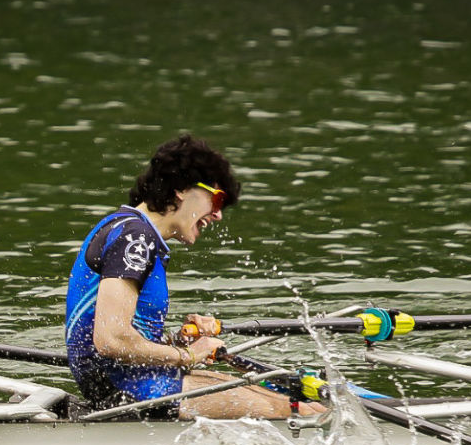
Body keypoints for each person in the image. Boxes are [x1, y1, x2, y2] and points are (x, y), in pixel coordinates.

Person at [65, 134, 311, 420]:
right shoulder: (136, 239)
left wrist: (181, 341)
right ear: (182, 189)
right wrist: (189, 356)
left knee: (283, 395)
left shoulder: (128, 229)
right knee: (297, 409)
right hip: (134, 391)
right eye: (216, 199)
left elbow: (125, 337)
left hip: (132, 382)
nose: (217, 215)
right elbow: (111, 339)